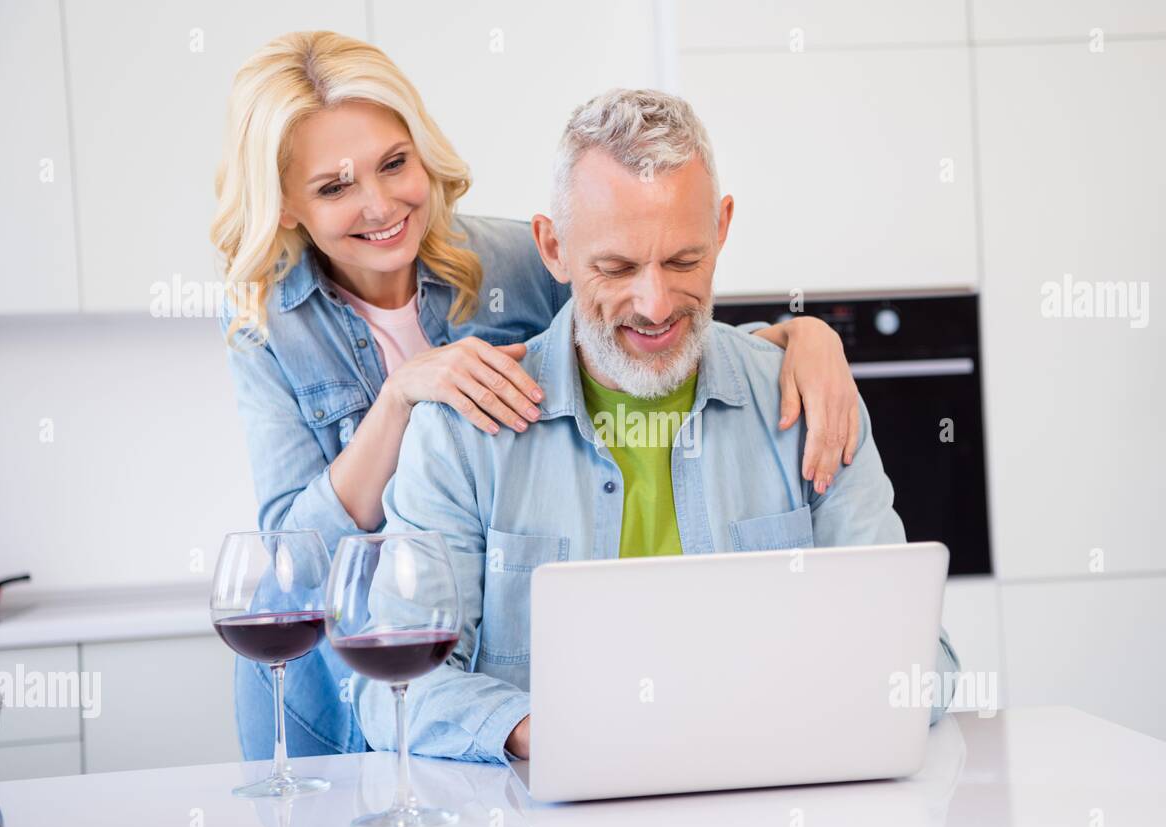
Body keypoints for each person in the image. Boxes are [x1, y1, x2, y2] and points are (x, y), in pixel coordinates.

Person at [212, 32, 866, 759]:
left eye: (394, 164)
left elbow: (647, 322)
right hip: (330, 680)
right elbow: (289, 566)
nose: (379, 204)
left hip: (461, 691)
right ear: (286, 204)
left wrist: (798, 339)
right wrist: (398, 401)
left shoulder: (515, 260)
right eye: (335, 187)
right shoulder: (265, 324)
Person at [357, 88, 960, 763]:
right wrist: (549, 733)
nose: (655, 304)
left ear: (722, 228)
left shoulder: (809, 404)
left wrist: (777, 718)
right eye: (616, 268)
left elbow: (923, 664)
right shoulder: (461, 435)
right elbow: (392, 690)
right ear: (553, 247)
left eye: (683, 261)